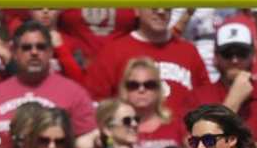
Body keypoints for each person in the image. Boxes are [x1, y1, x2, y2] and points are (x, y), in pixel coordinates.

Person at [0, 21, 98, 148]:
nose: (34, 52)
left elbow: (89, 141)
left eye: (41, 47)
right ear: (14, 52)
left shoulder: (74, 94)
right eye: (26, 48)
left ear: (51, 52)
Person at [83, 8, 211, 111]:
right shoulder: (113, 51)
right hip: (133, 137)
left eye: (167, 6)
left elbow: (205, 98)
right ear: (137, 10)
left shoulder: (188, 51)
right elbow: (95, 103)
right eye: (153, 6)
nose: (161, 11)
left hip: (182, 138)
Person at [118, 57, 187, 148]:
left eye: (149, 84)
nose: (141, 90)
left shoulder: (177, 126)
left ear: (159, 89)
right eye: (134, 85)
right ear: (125, 89)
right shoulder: (115, 127)